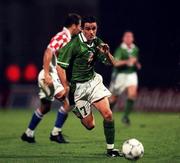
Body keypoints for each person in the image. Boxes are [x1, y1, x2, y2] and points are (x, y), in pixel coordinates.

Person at [57, 16, 124, 157]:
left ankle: (110, 150)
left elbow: (114, 63)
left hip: (93, 82)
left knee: (108, 114)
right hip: (78, 89)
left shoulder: (97, 42)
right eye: (88, 28)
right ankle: (77, 109)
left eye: (94, 28)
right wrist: (65, 86)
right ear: (82, 28)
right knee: (90, 125)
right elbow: (60, 66)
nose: (91, 32)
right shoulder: (74, 45)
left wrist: (106, 53)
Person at [21, 13, 81, 143]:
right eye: (80, 26)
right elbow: (49, 51)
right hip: (49, 76)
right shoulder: (63, 36)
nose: (80, 29)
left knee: (45, 107)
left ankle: (28, 133)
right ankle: (55, 133)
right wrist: (48, 74)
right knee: (68, 102)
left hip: (49, 75)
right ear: (74, 25)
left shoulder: (69, 38)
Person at [109, 31, 141, 125]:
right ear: (123, 39)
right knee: (113, 98)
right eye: (126, 36)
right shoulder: (120, 49)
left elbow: (134, 61)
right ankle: (108, 113)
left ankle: (125, 117)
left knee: (132, 94)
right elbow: (116, 63)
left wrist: (137, 64)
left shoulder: (135, 49)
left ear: (133, 38)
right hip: (120, 75)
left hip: (131, 74)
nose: (128, 38)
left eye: (130, 36)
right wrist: (127, 61)